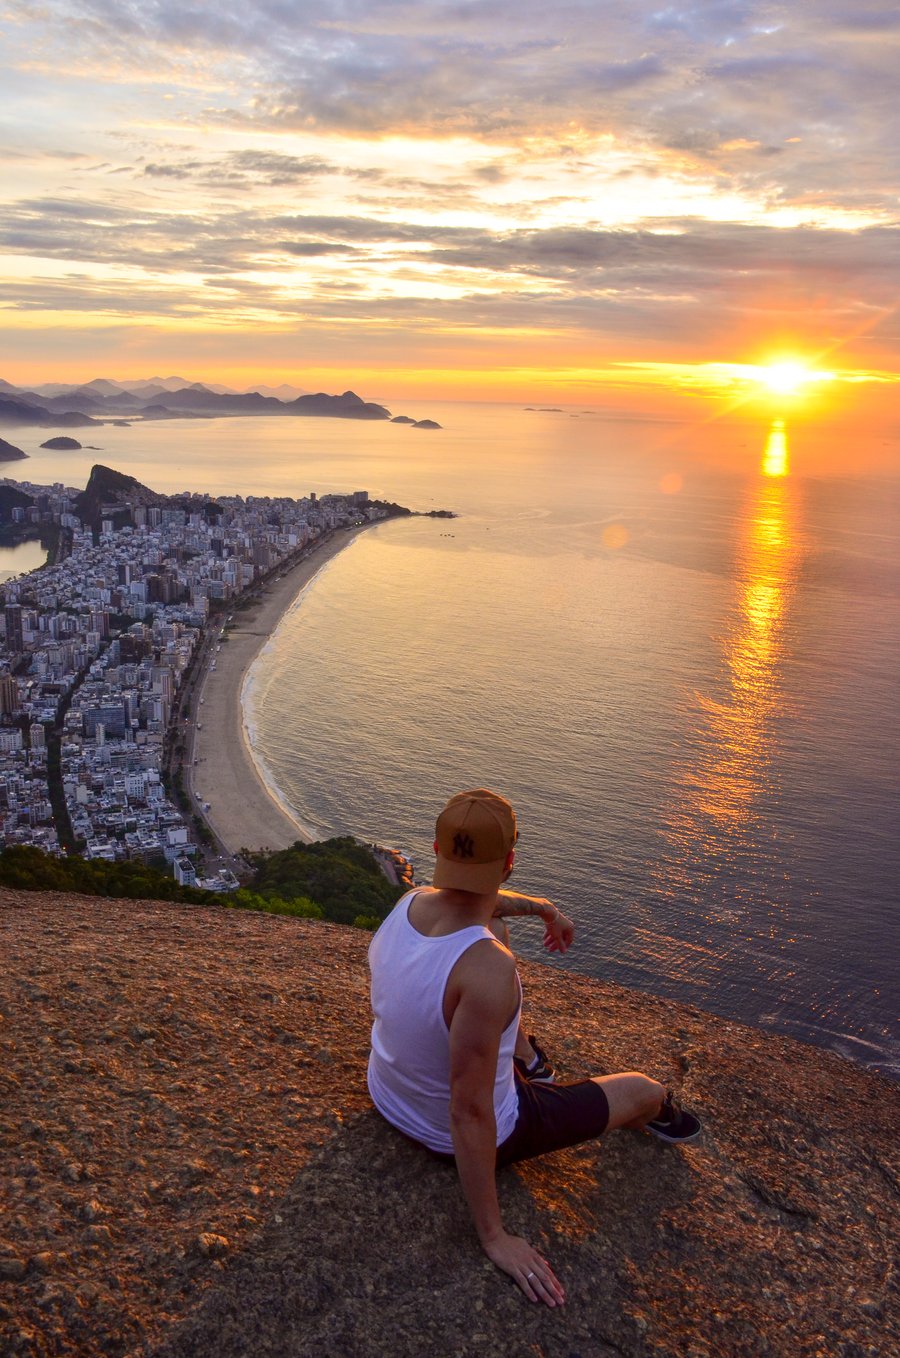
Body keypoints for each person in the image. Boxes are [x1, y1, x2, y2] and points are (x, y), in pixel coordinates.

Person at [367, 788, 702, 1309]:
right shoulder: (487, 970)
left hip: (387, 1094)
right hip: (457, 1128)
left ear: (437, 848)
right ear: (509, 862)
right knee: (642, 1089)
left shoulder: (408, 902)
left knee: (494, 928)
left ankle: (526, 1057)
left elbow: (482, 905)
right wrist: (494, 1237)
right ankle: (655, 1109)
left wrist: (545, 909)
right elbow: (471, 1111)